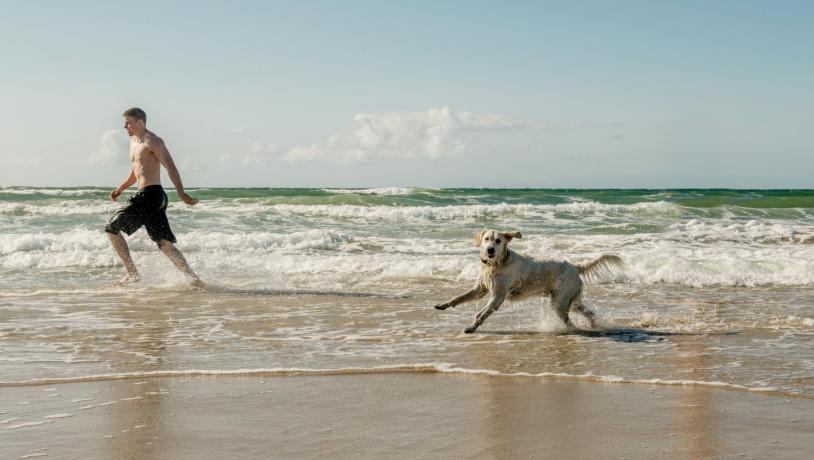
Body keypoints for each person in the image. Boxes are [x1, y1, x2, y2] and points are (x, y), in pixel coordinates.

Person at [104, 107, 204, 287]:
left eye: (128, 123)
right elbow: (136, 171)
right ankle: (194, 280)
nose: (125, 126)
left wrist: (181, 193)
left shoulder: (153, 141)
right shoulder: (134, 142)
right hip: (151, 197)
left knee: (111, 228)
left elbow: (171, 167)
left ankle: (132, 274)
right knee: (164, 243)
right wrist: (120, 189)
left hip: (151, 195)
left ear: (140, 122)